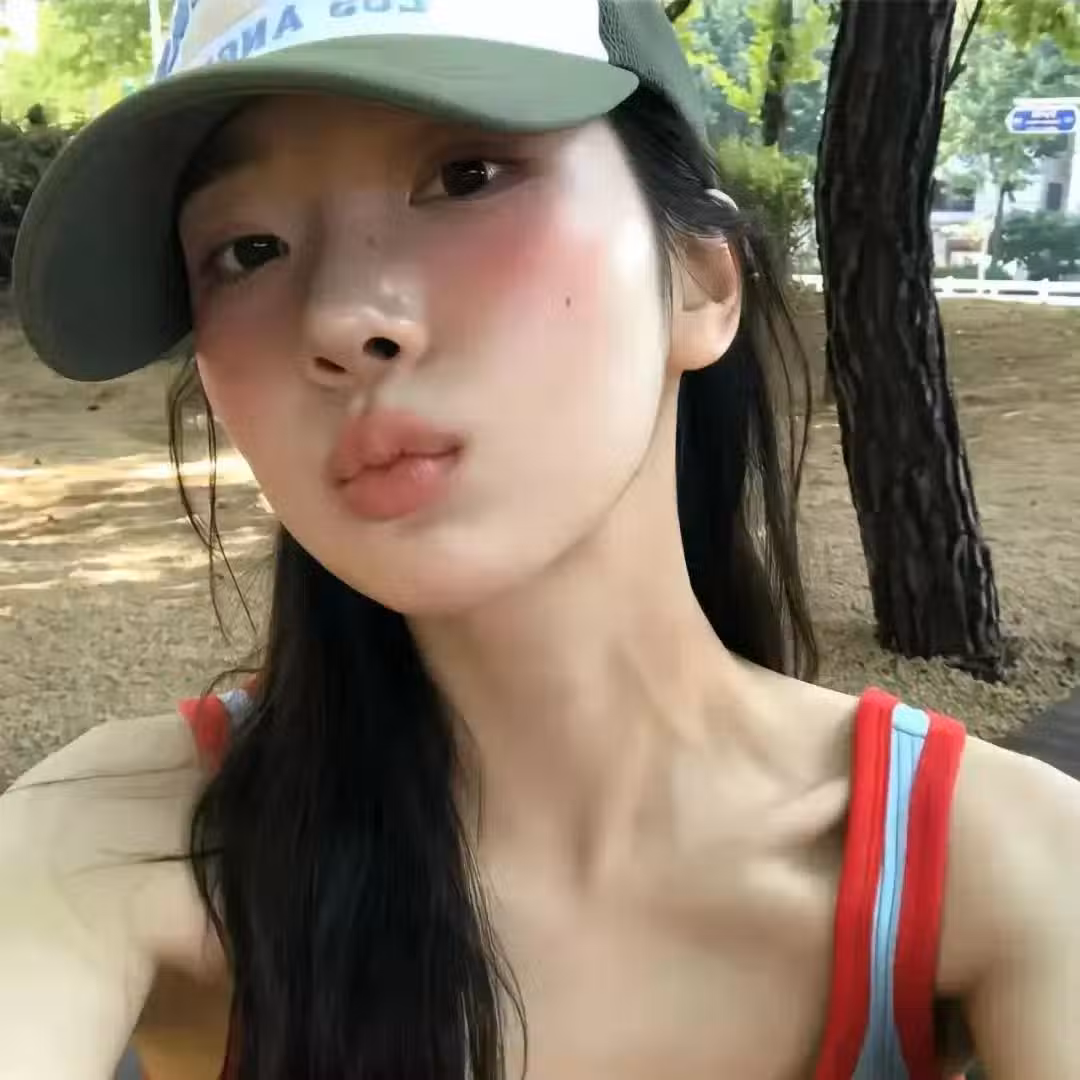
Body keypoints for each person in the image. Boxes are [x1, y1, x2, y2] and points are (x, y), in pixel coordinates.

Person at [2, 1, 1078, 1078]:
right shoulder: (101, 842)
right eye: (248, 251)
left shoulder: (1015, 865)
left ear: (700, 280)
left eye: (465, 176)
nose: (340, 317)